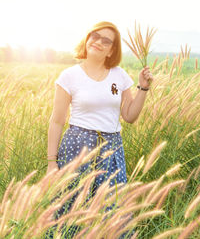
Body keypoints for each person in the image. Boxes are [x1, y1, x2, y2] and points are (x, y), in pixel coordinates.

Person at [46, 21, 153, 238]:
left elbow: (130, 116)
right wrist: (51, 162)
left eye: (106, 40)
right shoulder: (69, 76)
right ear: (87, 39)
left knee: (113, 213)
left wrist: (143, 87)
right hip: (77, 147)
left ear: (112, 50)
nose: (98, 41)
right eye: (95, 35)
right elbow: (57, 121)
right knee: (73, 210)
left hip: (112, 149)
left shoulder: (120, 75)